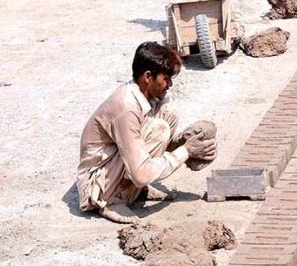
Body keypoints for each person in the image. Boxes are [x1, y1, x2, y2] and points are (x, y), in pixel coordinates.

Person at [77, 42, 217, 223]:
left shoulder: (145, 95)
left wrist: (182, 143)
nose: (169, 85)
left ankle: (134, 190)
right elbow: (141, 173)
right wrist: (185, 152)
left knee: (168, 115)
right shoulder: (127, 108)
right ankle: (112, 199)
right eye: (166, 79)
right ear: (148, 77)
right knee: (160, 130)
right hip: (97, 184)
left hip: (117, 161)